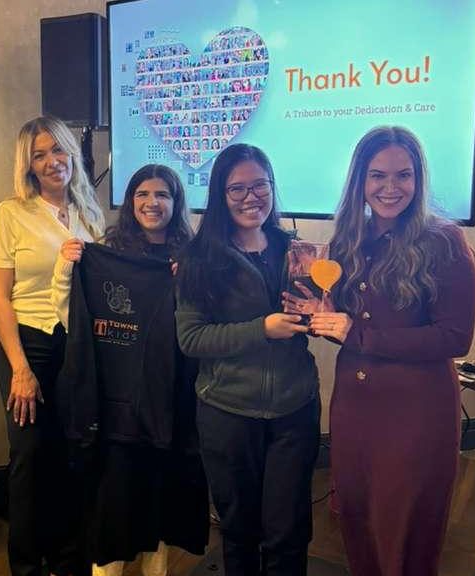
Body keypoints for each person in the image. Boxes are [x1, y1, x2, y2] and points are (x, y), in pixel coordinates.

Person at [305, 126, 475, 575]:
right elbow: (351, 323)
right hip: (356, 408)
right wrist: (321, 316)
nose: (389, 188)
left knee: (404, 529)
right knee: (358, 519)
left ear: (419, 180)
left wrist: (355, 334)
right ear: (359, 180)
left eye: (403, 176)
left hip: (416, 413)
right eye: (377, 175)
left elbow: (454, 338)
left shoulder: (445, 241)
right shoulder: (350, 239)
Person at [52, 164, 207, 576]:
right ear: (129, 201)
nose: (151, 203)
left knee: (158, 500)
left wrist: (189, 280)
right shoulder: (106, 252)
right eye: (142, 194)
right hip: (115, 402)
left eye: (162, 195)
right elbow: (69, 316)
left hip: (167, 399)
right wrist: (68, 266)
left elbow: (206, 323)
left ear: (176, 202)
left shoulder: (191, 257)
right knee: (114, 501)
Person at [175, 144, 320, 576]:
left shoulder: (298, 252)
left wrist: (322, 318)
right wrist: (262, 328)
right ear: (219, 194)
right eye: (236, 188)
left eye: (259, 185)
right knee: (239, 530)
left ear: (272, 187)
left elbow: (313, 315)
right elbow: (191, 338)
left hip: (294, 409)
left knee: (289, 531)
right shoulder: (197, 259)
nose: (250, 196)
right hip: (228, 412)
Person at [0, 115, 105, 576]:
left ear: (72, 154)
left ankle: (66, 556)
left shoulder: (89, 212)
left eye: (58, 150)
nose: (52, 161)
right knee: (30, 455)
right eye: (40, 154)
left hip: (77, 345)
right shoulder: (11, 212)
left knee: (71, 451)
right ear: (28, 165)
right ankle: (26, 564)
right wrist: (19, 367)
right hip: (28, 344)